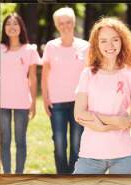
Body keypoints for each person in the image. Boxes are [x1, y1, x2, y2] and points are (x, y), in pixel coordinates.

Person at [73, 17, 131, 174]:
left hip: (124, 155)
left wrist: (101, 125)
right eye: (103, 41)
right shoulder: (88, 73)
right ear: (97, 45)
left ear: (122, 41)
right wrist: (116, 122)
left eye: (115, 40)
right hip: (90, 154)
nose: (110, 45)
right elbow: (79, 113)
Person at [41, 7, 89, 174]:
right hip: (57, 103)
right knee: (60, 144)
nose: (65, 26)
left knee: (77, 145)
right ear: (56, 25)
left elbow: (90, 75)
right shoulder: (51, 46)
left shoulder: (85, 46)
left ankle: (75, 178)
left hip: (79, 103)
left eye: (68, 22)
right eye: (61, 23)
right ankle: (62, 177)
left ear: (74, 23)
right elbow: (45, 74)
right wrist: (45, 99)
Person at [0, 13, 40, 174]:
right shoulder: (1, 49)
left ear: (20, 27)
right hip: (1, 103)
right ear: (4, 28)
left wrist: (34, 104)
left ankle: (19, 174)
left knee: (20, 141)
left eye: (15, 23)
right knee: (5, 141)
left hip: (23, 102)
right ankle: (8, 174)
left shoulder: (29, 50)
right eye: (8, 23)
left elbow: (33, 78)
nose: (11, 26)